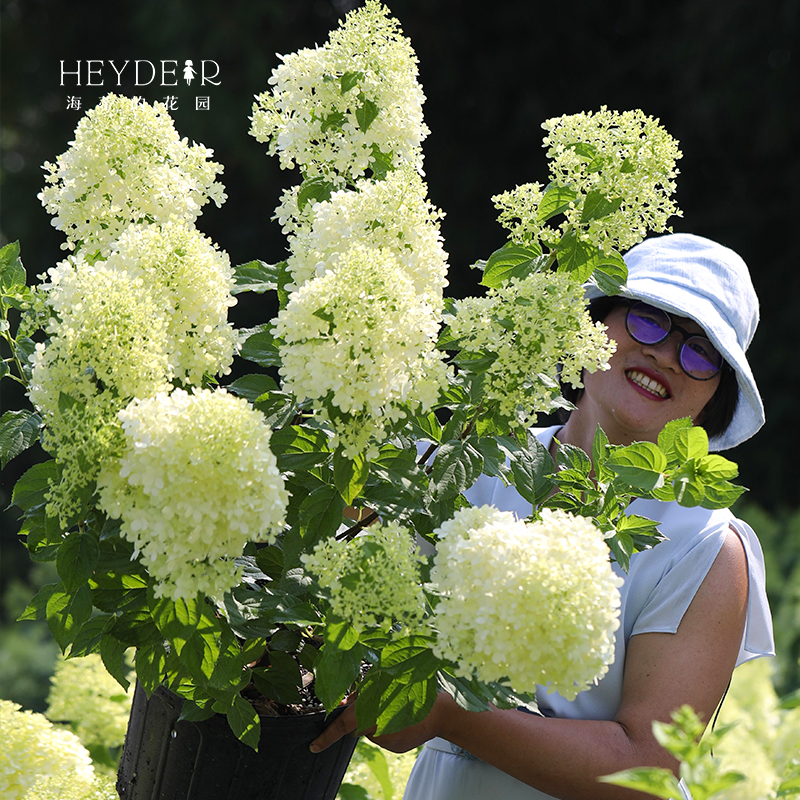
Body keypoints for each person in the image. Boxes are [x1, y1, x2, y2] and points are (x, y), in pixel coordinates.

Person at [310, 233, 775, 800]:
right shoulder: (467, 456)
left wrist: (451, 717)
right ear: (595, 325)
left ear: (715, 397)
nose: (664, 354)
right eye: (649, 320)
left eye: (700, 353)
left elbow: (646, 770)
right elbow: (325, 577)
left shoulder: (704, 547)